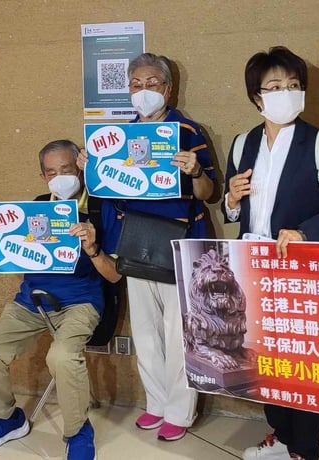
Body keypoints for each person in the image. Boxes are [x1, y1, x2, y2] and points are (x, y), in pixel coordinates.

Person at [223, 46, 319, 460]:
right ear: (257, 97)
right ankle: (282, 438)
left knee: (301, 363)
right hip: (255, 269)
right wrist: (231, 201)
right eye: (274, 87)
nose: (285, 93)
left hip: (304, 274)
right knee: (264, 360)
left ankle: (304, 449)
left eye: (293, 86)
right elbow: (235, 209)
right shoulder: (243, 144)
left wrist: (307, 232)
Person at [79, 52, 217, 442]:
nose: (143, 91)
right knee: (146, 331)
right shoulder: (117, 137)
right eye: (135, 84)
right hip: (135, 240)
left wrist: (194, 171)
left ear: (168, 88)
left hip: (180, 240)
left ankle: (179, 409)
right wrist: (91, 166)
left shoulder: (188, 130)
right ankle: (155, 403)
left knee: (179, 332)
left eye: (151, 83)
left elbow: (210, 192)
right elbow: (102, 192)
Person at [0, 140, 120, 460]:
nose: (59, 177)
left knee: (62, 356)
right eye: (51, 172)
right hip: (31, 301)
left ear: (80, 167)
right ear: (42, 177)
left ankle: (78, 430)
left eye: (66, 169)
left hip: (81, 302)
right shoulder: (35, 207)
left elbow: (115, 276)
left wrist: (92, 248)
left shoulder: (101, 207)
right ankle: (5, 419)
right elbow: (17, 256)